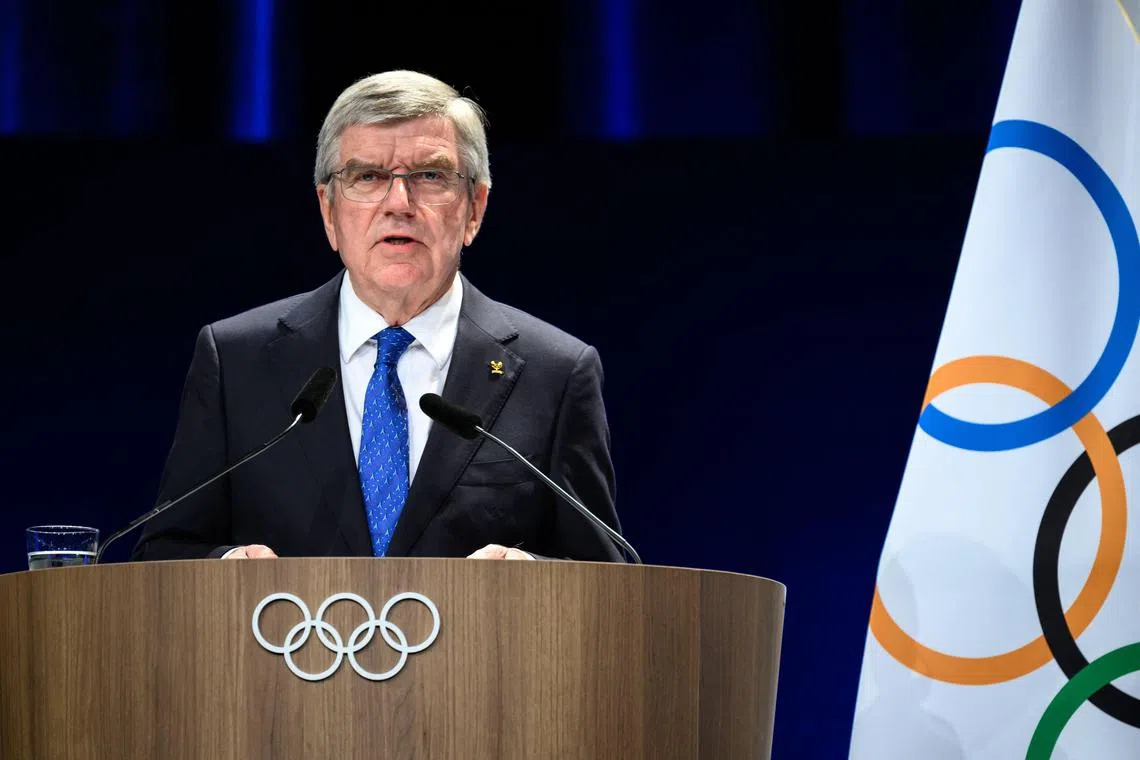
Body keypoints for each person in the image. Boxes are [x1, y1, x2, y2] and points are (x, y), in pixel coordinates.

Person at [131, 71, 624, 562]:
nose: (398, 204)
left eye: (430, 176)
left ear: (475, 207)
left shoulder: (555, 372)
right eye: (367, 177)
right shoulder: (236, 360)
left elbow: (611, 583)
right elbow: (164, 553)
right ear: (328, 210)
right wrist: (224, 570)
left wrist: (536, 577)